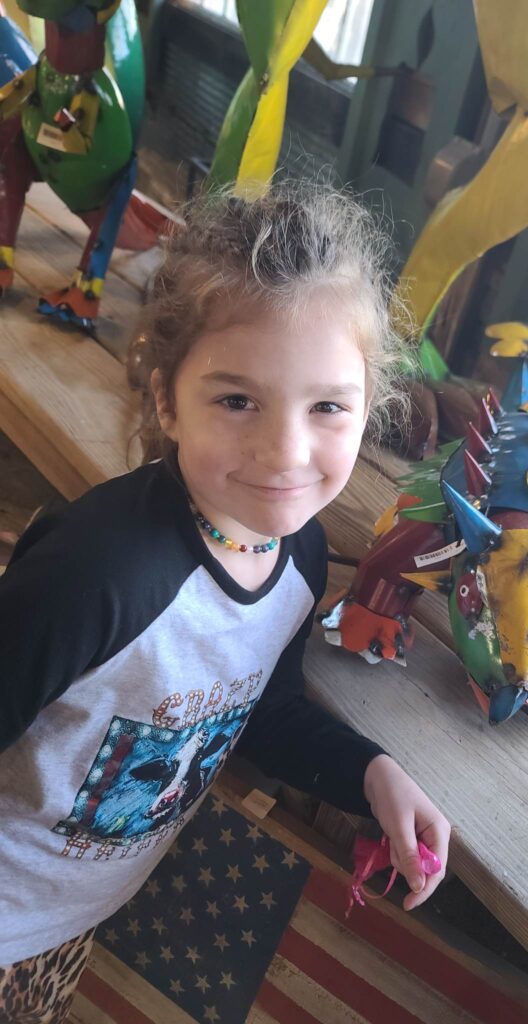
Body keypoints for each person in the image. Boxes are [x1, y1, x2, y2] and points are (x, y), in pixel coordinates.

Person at [0, 181, 450, 1022]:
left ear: (368, 411)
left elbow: (258, 709)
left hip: (69, 918)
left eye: (327, 408)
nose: (285, 450)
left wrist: (370, 773)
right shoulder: (99, 574)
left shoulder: (299, 557)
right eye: (237, 400)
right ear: (168, 398)